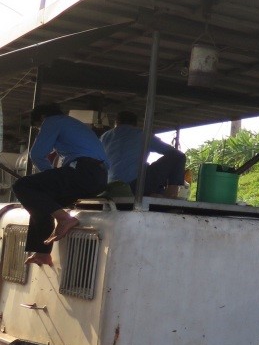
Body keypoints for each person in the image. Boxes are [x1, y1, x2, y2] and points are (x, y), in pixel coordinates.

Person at [12, 103, 110, 267]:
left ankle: (64, 219)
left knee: (22, 186)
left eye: (38, 127)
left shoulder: (52, 121)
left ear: (42, 118)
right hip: (99, 178)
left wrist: (48, 174)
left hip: (83, 170)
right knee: (41, 203)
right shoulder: (74, 124)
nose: (40, 130)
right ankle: (42, 252)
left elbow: (37, 154)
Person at [100, 111, 186, 196]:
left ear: (116, 122)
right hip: (135, 185)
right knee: (179, 156)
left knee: (146, 169)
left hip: (109, 186)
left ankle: (159, 192)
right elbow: (173, 153)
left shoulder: (104, 137)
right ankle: (172, 193)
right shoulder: (142, 134)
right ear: (135, 124)